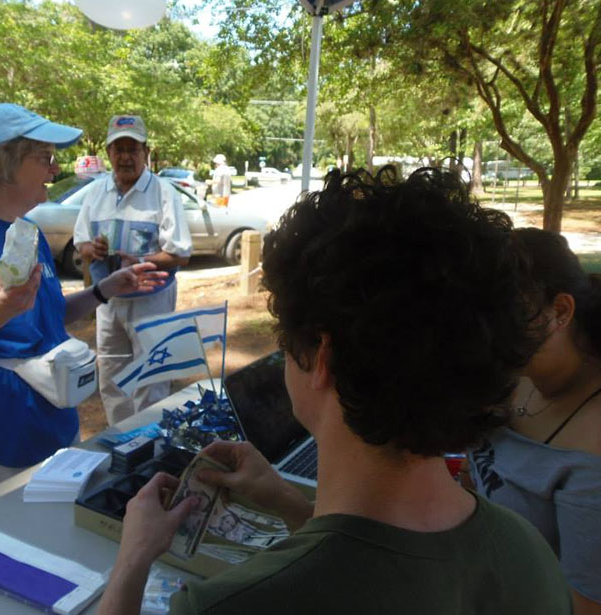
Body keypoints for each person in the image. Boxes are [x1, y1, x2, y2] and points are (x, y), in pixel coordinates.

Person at [96, 167, 572, 615]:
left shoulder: (232, 604)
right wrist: (288, 502)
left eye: (284, 339)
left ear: (321, 358)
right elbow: (381, 565)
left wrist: (132, 558)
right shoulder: (526, 553)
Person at [0, 103, 167, 498]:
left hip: (56, 427)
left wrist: (105, 289)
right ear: (4, 165)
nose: (53, 170)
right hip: (2, 447)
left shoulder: (27, 231)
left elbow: (48, 317)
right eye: (44, 158)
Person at [468, 227, 601, 614]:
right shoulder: (515, 376)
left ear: (560, 311)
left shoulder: (592, 447)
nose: (484, 336)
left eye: (502, 317)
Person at [73, 115, 192, 425]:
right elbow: (80, 243)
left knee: (152, 375)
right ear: (109, 153)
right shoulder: (96, 192)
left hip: (151, 300)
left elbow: (180, 254)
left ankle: (151, 442)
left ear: (145, 152)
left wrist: (140, 262)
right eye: (118, 148)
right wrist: (91, 250)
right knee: (111, 375)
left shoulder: (164, 193)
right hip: (108, 302)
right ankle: (121, 440)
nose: (125, 156)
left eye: (132, 148)